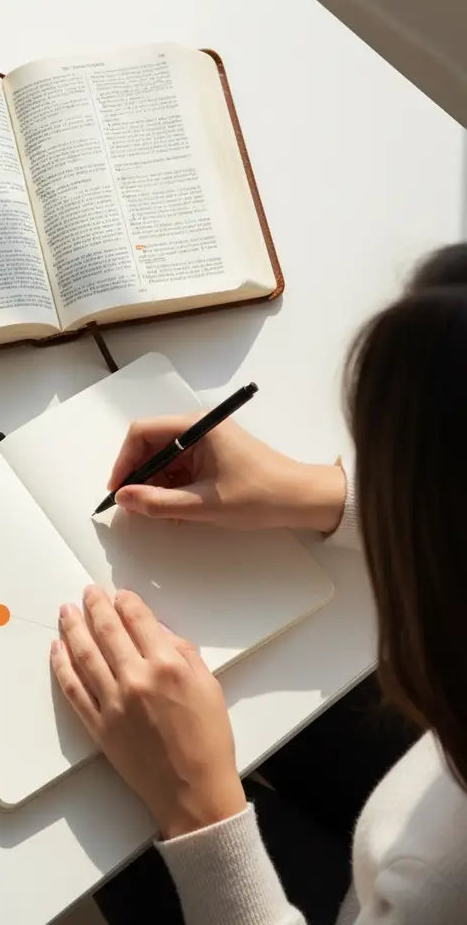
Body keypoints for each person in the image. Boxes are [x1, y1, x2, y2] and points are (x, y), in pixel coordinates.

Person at [51, 242, 467, 924]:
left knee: (110, 828)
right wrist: (320, 494)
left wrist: (201, 816)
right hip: (419, 790)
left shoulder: (440, 885)